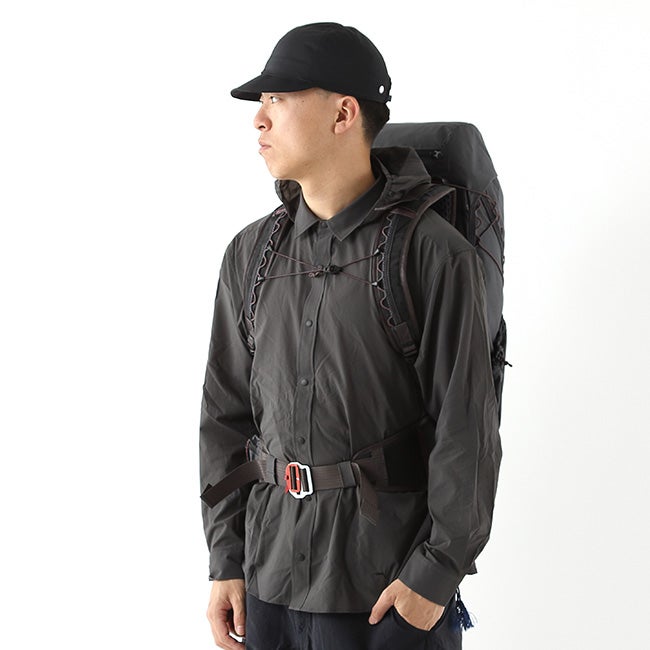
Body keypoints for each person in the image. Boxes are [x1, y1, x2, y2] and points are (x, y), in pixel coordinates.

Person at [199, 22, 502, 650]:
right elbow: (225, 416)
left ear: (344, 113)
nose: (259, 118)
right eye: (262, 101)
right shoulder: (251, 254)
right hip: (268, 583)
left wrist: (434, 576)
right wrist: (227, 558)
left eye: (279, 99)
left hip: (385, 596)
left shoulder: (433, 255)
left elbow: (467, 426)